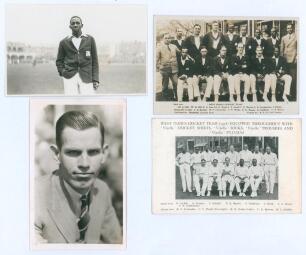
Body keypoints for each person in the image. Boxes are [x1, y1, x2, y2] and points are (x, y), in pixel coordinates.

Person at [35, 111, 122, 244]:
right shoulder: (33, 196)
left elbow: (117, 244)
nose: (84, 164)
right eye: (73, 152)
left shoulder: (101, 190)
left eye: (93, 152)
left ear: (104, 154)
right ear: (57, 154)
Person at [56, 16, 99, 95]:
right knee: (70, 102)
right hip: (69, 77)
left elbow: (95, 61)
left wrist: (95, 79)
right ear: (70, 26)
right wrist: (63, 72)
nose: (75, 25)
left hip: (87, 76)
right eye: (73, 23)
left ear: (82, 25)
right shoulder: (63, 42)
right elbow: (59, 61)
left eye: (77, 23)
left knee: (88, 102)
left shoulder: (90, 39)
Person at [156, 33, 180, 101]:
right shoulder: (159, 47)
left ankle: (177, 96)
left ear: (170, 39)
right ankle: (165, 97)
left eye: (169, 38)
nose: (167, 39)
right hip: (164, 69)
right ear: (163, 39)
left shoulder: (174, 46)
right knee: (165, 84)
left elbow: (181, 53)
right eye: (166, 38)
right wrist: (158, 67)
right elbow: (156, 59)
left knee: (176, 83)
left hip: (174, 69)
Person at [280, 23, 297, 100]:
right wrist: (281, 60)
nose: (289, 29)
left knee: (293, 78)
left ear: (292, 28)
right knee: (285, 77)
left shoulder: (296, 37)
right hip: (285, 61)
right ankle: (285, 94)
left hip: (293, 60)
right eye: (287, 28)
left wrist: (297, 57)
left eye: (290, 28)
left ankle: (292, 94)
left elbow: (299, 48)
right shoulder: (284, 37)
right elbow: (281, 50)